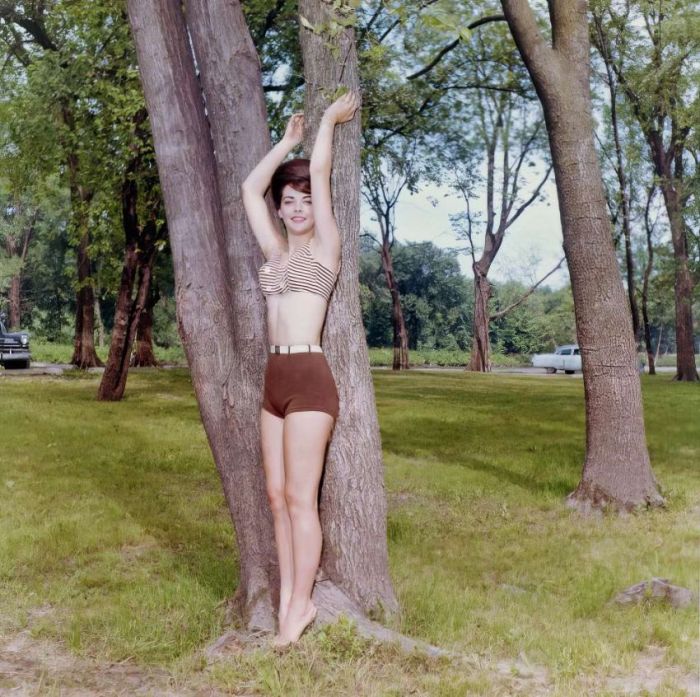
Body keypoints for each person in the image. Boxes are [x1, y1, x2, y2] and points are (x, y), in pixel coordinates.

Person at [241, 91, 360, 646]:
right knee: (275, 497)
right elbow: (249, 189)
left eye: (305, 202)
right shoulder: (275, 253)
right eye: (288, 201)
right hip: (274, 380)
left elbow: (321, 172)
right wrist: (285, 142)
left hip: (310, 379)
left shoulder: (325, 250)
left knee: (299, 498)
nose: (296, 208)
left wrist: (328, 123)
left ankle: (302, 604)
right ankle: (290, 594)